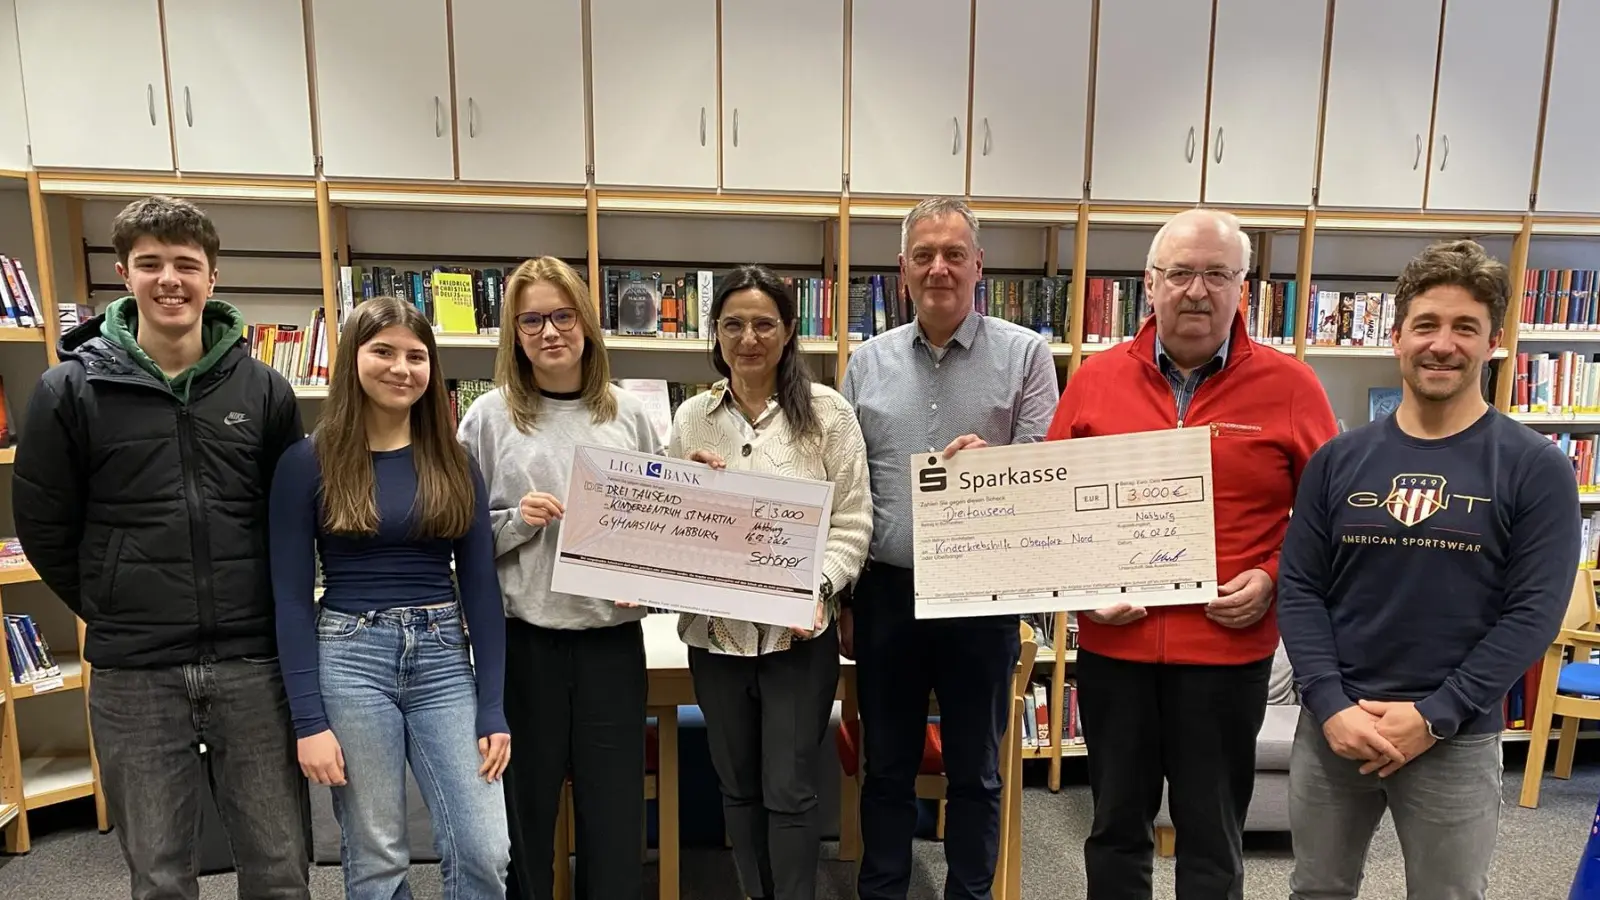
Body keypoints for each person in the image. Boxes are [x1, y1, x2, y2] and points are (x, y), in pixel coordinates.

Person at [11, 195, 312, 899]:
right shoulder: (69, 391)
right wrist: (114, 602)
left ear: (213, 277)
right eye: (151, 264)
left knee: (279, 868)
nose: (169, 280)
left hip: (251, 663)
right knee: (161, 878)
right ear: (123, 273)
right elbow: (44, 525)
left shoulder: (263, 388)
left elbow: (290, 517)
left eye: (186, 264)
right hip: (134, 673)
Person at [1044, 207, 1338, 900]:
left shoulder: (1292, 385)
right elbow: (1050, 505)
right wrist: (1085, 588)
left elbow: (1326, 515)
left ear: (1243, 287)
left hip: (1227, 656)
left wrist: (1269, 578)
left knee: (1211, 836)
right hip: (1118, 649)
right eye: (1180, 273)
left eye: (1216, 273)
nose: (1197, 290)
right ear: (1151, 284)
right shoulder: (1096, 379)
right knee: (1115, 828)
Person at [1277, 239, 1581, 900]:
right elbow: (1300, 587)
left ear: (1494, 342)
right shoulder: (1339, 460)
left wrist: (1436, 715)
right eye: (1427, 325)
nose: (1443, 344)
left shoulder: (1536, 468)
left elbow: (1532, 614)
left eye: (1465, 327)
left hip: (1456, 737)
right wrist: (1329, 704)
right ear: (1397, 338)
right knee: (1315, 891)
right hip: (1335, 729)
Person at [840, 196, 1058, 900]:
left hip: (982, 590)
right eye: (924, 255)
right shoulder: (864, 363)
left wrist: (991, 466)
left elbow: (1044, 472)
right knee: (887, 767)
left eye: (954, 254)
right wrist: (845, 595)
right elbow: (847, 488)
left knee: (977, 770)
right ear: (902, 269)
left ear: (978, 266)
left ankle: (968, 894)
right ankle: (884, 891)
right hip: (886, 592)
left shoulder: (1026, 355)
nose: (939, 267)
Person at [269, 296, 511, 899]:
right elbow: (292, 600)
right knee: (377, 857)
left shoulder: (455, 461)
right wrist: (309, 721)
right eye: (383, 351)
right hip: (350, 659)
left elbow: (481, 590)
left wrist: (493, 707)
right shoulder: (307, 463)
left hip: (443, 660)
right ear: (352, 358)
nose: (401, 368)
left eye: (416, 356)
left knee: (485, 848)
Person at [457, 256, 662, 900]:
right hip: (525, 647)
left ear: (585, 322)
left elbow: (661, 534)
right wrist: (516, 521)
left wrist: (651, 581)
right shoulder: (487, 418)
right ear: (513, 334)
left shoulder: (629, 415)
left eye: (562, 316)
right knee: (526, 821)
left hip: (610, 646)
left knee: (614, 820)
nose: (549, 332)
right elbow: (456, 539)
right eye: (531, 321)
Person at [668, 265, 872, 900]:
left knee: (790, 790)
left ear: (788, 332)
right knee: (738, 788)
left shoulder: (829, 416)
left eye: (763, 324)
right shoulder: (691, 419)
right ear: (715, 334)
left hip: (796, 639)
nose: (748, 338)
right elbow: (666, 522)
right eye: (733, 324)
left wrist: (820, 589)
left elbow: (853, 521)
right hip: (716, 638)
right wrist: (688, 483)